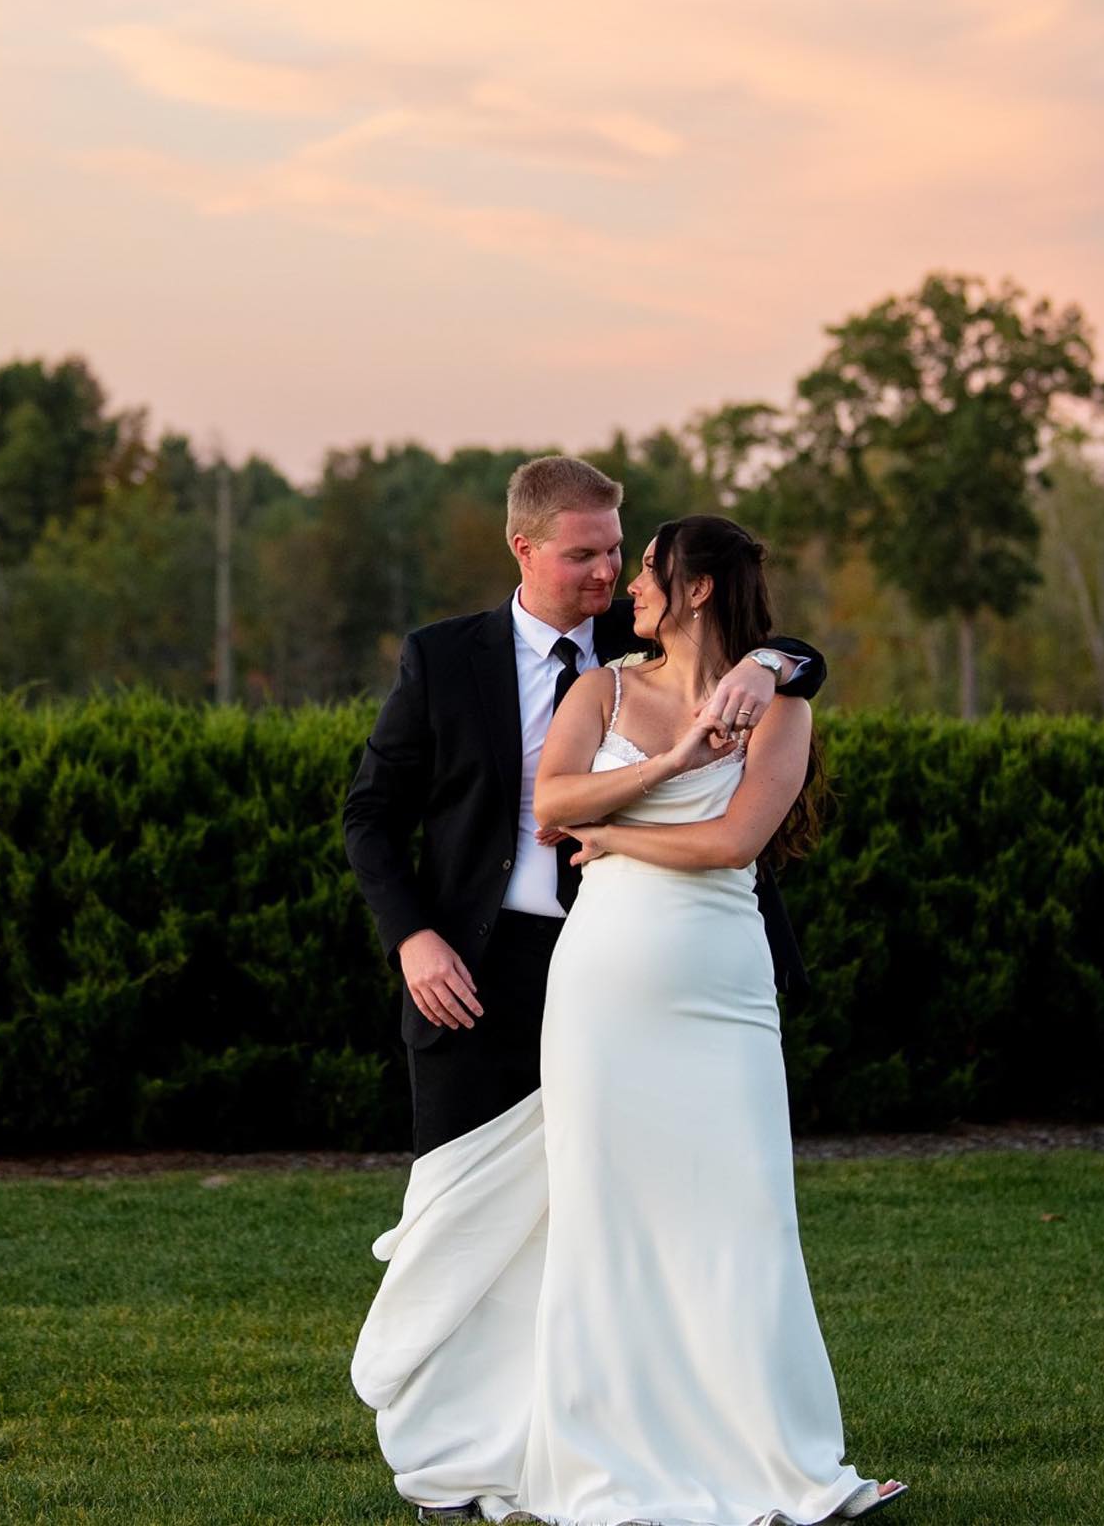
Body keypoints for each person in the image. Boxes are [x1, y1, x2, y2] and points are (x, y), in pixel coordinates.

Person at [344, 459, 828, 1516]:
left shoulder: (640, 643)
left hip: (637, 969)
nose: (610, 571)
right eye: (586, 554)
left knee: (621, 1222)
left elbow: (774, 641)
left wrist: (778, 664)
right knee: (461, 1221)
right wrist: (415, 940)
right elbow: (370, 816)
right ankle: (450, 1453)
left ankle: (609, 1435)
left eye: (619, 552)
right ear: (525, 549)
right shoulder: (444, 658)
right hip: (478, 970)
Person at [519, 514, 906, 1522]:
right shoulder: (600, 686)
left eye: (646, 571)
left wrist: (616, 836)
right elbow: (550, 801)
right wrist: (670, 764)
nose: (628, 587)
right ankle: (609, 1456)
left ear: (695, 589)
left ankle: (775, 1456)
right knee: (606, 1218)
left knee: (743, 1216)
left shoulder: (782, 707)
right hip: (600, 993)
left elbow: (734, 841)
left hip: (721, 990)